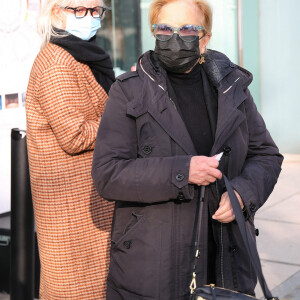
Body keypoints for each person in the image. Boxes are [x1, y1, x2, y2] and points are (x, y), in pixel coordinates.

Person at [92, 0, 283, 299]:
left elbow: (266, 155)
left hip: (226, 260)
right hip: (155, 266)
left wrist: (243, 194)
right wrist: (182, 172)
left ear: (205, 38)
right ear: (154, 33)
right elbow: (108, 173)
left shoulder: (232, 87)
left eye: (188, 29)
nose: (175, 38)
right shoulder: (128, 91)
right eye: (165, 29)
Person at [26, 0, 115, 299]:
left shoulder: (80, 55)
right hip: (71, 212)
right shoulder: (57, 62)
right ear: (55, 12)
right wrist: (122, 119)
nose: (88, 17)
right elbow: (74, 135)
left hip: (86, 205)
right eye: (79, 10)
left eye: (95, 11)